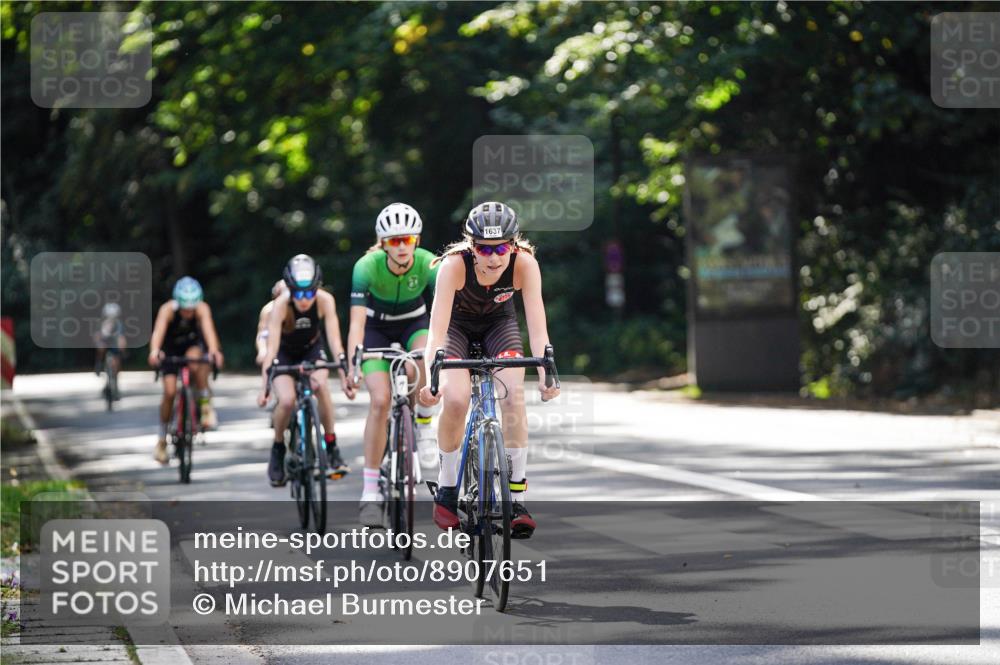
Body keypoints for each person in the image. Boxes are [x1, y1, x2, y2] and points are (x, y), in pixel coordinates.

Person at [419, 202, 559, 539]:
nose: (494, 257)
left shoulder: (525, 263)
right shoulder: (453, 266)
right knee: (455, 399)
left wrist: (546, 373)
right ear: (471, 246)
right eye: (484, 248)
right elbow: (436, 332)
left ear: (513, 244)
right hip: (457, 329)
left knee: (512, 397)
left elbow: (538, 329)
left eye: (501, 247)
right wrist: (431, 379)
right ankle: (449, 488)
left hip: (499, 325)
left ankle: (517, 499)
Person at [345, 202, 440, 527]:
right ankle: (370, 492)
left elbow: (444, 315)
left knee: (425, 360)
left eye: (408, 240)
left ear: (417, 240)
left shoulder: (430, 264)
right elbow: (357, 323)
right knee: (381, 400)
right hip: (376, 329)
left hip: (415, 323)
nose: (402, 247)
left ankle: (424, 423)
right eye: (394, 241)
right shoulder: (366, 266)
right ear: (383, 243)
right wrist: (353, 363)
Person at [257, 254, 355, 487]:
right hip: (285, 353)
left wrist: (344, 376)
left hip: (311, 350)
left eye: (310, 292)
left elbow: (335, 343)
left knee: (319, 385)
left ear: (316, 288)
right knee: (288, 400)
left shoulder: (325, 301)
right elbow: (270, 351)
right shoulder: (280, 305)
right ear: (290, 290)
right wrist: (265, 388)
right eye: (298, 294)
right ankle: (279, 447)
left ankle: (331, 446)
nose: (304, 300)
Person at [147, 277, 224, 464]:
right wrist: (155, 351)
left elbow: (209, 332)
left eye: (192, 308)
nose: (189, 312)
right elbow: (158, 333)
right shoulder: (168, 310)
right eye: (185, 308)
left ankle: (204, 405)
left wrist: (214, 352)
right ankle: (162, 438)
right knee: (170, 392)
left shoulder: (202, 309)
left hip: (192, 347)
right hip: (171, 351)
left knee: (197, 360)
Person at [94, 301, 126, 392]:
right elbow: (97, 336)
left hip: (114, 344)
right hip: (105, 342)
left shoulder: (119, 324)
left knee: (117, 361)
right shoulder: (101, 323)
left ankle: (115, 382)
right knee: (101, 348)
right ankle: (99, 364)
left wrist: (122, 348)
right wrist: (99, 343)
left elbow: (121, 337)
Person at [255, 280, 288, 367]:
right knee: (268, 365)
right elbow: (262, 334)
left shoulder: (301, 306)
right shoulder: (268, 310)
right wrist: (263, 350)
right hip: (276, 347)